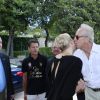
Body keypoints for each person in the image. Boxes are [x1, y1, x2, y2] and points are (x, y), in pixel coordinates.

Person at [46, 33, 82, 100]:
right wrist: (80, 88)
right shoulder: (76, 61)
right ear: (71, 42)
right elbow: (69, 90)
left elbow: (49, 84)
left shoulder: (51, 60)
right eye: (73, 41)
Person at [74, 23, 100, 100]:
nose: (74, 39)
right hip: (88, 93)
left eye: (77, 37)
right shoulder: (76, 54)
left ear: (87, 38)